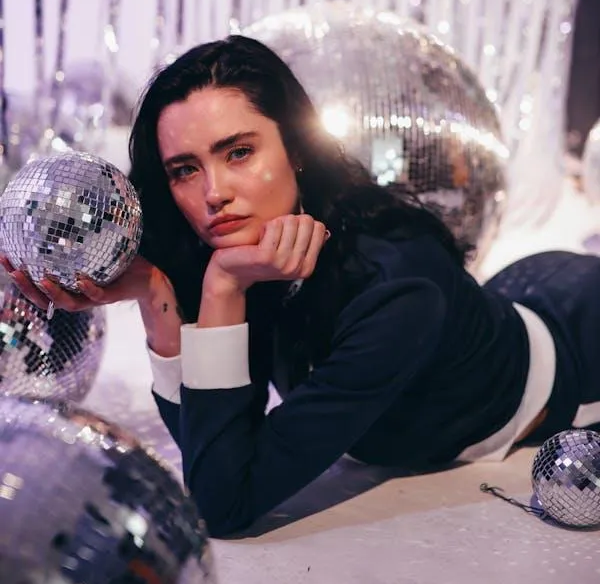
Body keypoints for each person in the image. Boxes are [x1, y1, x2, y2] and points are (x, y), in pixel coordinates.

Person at [3, 35, 600, 539]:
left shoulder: (397, 289)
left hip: (578, 338)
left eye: (238, 152)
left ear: (298, 151)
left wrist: (221, 291)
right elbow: (212, 446)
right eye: (185, 169)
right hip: (515, 293)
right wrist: (157, 295)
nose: (213, 193)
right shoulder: (240, 244)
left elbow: (223, 503)